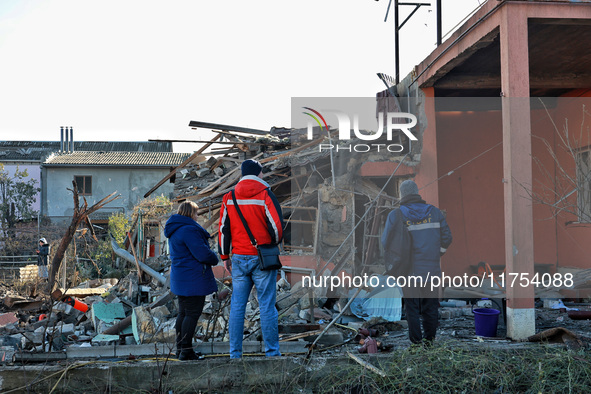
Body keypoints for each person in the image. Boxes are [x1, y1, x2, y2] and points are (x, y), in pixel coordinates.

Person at [218, 159, 284, 359]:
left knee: (238, 306)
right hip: (262, 258)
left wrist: (224, 256)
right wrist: (271, 243)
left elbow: (223, 229)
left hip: (238, 258)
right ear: (258, 173)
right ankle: (272, 353)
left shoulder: (229, 197)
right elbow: (277, 227)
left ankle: (235, 354)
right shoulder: (265, 194)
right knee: (266, 305)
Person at [382, 179, 452, 346]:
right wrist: (438, 254)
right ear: (417, 192)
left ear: (402, 195)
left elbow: (385, 242)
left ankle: (416, 344)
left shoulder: (396, 215)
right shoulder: (435, 213)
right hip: (431, 270)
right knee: (430, 308)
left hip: (408, 271)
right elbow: (447, 238)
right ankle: (429, 343)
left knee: (412, 308)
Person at [164, 201, 219, 360]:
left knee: (183, 313)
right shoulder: (189, 230)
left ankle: (181, 349)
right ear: (190, 213)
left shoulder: (175, 229)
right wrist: (214, 257)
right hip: (193, 278)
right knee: (192, 313)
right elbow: (202, 254)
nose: (197, 216)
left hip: (181, 277)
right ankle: (186, 351)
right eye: (196, 213)